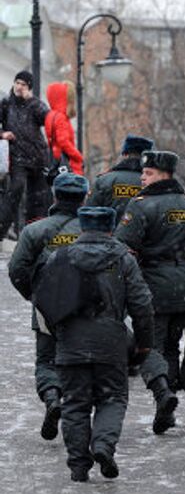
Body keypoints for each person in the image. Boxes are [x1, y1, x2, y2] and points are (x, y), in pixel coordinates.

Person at [42, 206, 154, 482]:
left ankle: (79, 466)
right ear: (111, 228)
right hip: (111, 343)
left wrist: (59, 336)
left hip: (71, 343)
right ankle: (103, 445)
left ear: (82, 227)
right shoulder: (124, 259)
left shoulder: (60, 257)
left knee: (75, 404)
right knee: (112, 398)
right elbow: (142, 305)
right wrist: (143, 343)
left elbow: (43, 302)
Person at [115, 150, 185, 434]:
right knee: (171, 347)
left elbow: (122, 247)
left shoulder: (141, 206)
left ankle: (163, 393)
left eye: (148, 173)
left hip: (154, 286)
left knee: (149, 345)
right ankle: (166, 412)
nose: (142, 178)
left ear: (164, 175)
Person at [7, 172, 89, 441]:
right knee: (79, 361)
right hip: (85, 307)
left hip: (47, 308)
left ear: (55, 195)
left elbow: (17, 269)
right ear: (84, 198)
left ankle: (52, 397)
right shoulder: (92, 231)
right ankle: (78, 414)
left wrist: (35, 295)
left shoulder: (34, 230)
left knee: (46, 359)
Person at [0, 71, 50, 239]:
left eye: (23, 84)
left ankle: (34, 233)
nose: (19, 87)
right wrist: (2, 133)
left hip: (38, 156)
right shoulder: (6, 104)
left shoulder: (34, 104)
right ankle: (2, 229)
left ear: (29, 88)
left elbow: (47, 118)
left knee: (38, 198)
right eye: (17, 83)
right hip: (17, 157)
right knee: (16, 189)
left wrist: (31, 100)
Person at [87, 134, 154, 224]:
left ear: (125, 155)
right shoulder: (154, 182)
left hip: (109, 235)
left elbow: (89, 214)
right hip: (143, 236)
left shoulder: (104, 180)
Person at [44, 80, 84, 176]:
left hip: (56, 161)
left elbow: (52, 140)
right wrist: (78, 156)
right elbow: (63, 141)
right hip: (68, 163)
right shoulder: (61, 117)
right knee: (73, 186)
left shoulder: (50, 115)